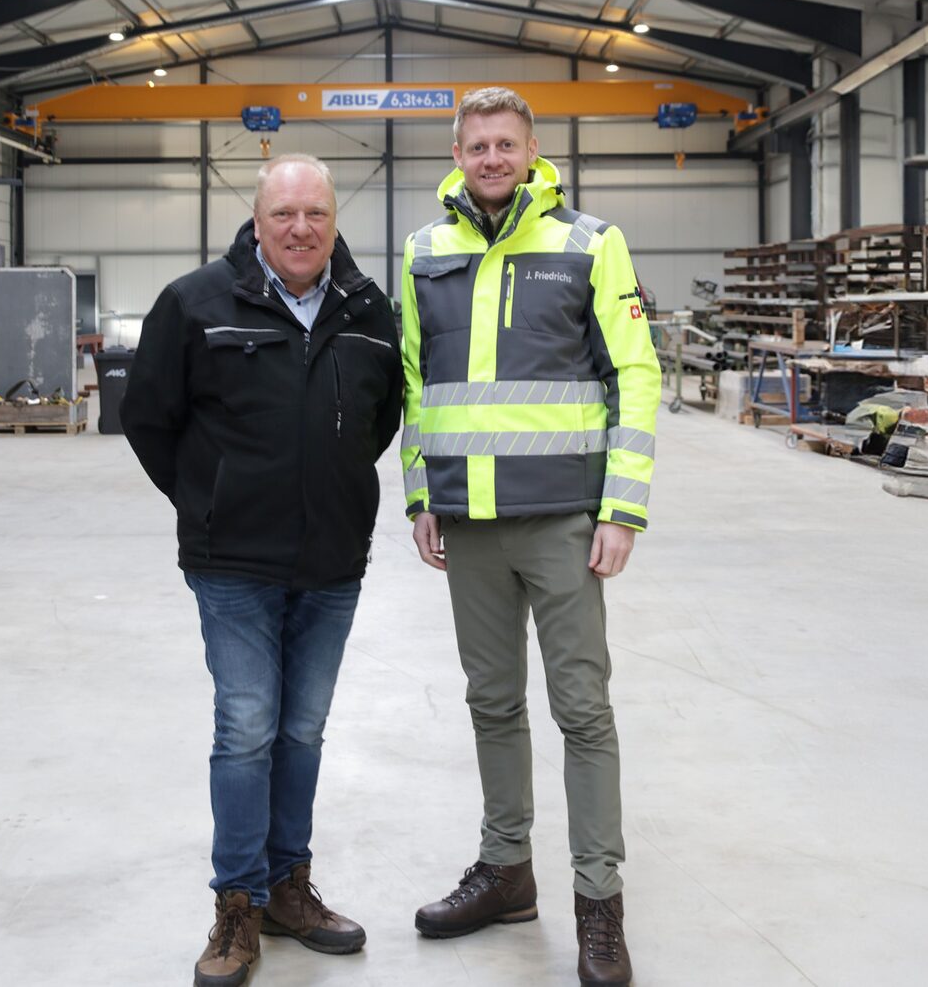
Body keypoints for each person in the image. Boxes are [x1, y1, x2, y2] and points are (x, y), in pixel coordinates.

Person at [398, 87, 660, 987]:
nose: (492, 158)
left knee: (582, 709)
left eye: (506, 143)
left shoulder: (589, 243)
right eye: (477, 144)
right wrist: (420, 494)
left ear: (533, 150)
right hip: (468, 521)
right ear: (457, 153)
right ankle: (507, 870)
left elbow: (636, 374)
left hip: (563, 521)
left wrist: (621, 508)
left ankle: (598, 900)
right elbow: (415, 383)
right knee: (492, 703)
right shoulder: (425, 251)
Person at [120, 153, 403, 987]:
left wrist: (333, 485)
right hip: (233, 562)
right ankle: (237, 904)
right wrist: (208, 499)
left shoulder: (369, 308)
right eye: (284, 213)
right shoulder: (196, 302)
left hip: (332, 560)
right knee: (246, 729)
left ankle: (288, 887)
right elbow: (148, 417)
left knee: (302, 730)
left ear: (335, 220)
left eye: (316, 213)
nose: (301, 228)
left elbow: (381, 417)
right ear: (257, 218)